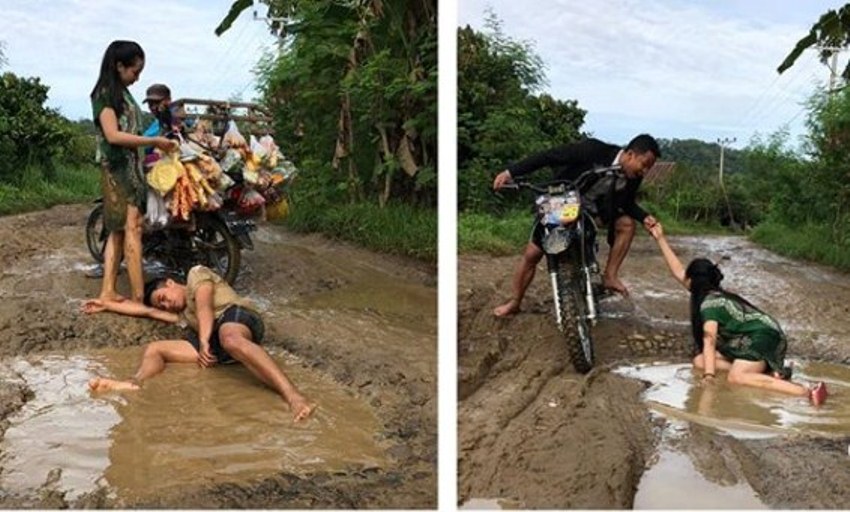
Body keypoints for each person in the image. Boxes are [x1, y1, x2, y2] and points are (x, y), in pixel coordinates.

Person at [82, 265, 316, 421]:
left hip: (234, 318)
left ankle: (294, 397)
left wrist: (203, 340)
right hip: (215, 340)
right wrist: (107, 305)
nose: (166, 305)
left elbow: (204, 305)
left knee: (230, 338)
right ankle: (134, 383)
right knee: (155, 348)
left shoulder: (197, 274)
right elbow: (146, 312)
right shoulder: (183, 315)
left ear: (171, 283)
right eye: (162, 305)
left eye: (163, 298)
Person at [648, 222, 828, 405]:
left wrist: (709, 377)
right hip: (759, 334)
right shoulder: (708, 294)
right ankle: (768, 375)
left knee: (736, 377)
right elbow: (679, 272)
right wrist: (660, 238)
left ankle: (807, 392)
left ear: (693, 281)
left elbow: (709, 341)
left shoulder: (710, 304)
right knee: (700, 361)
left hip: (762, 336)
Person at [491, 134, 661, 317]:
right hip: (562, 201)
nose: (644, 172)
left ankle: (610, 276)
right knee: (532, 253)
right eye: (644, 164)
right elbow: (549, 157)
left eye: (648, 168)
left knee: (627, 224)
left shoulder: (633, 176)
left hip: (593, 212)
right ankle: (515, 302)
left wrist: (644, 217)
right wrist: (511, 172)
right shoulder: (594, 150)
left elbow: (626, 203)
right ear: (630, 154)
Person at [90, 41, 178, 303]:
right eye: (135, 71)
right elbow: (113, 135)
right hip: (118, 170)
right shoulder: (105, 94)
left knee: (118, 230)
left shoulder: (123, 94)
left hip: (131, 169)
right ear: (119, 66)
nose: (137, 77)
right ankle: (139, 296)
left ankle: (108, 290)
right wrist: (154, 142)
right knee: (133, 228)